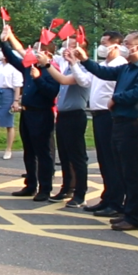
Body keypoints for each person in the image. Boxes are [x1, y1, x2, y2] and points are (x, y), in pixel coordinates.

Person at [75, 31, 138, 231]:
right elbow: (104, 72)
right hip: (121, 123)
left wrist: (116, 98)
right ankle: (125, 210)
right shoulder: (127, 68)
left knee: (133, 174)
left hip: (136, 124)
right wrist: (85, 60)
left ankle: (134, 216)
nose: (123, 46)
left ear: (137, 47)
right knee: (122, 170)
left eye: (127, 43)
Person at [0, 24, 60, 202]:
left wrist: (38, 78)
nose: (32, 52)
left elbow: (51, 92)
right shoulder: (29, 66)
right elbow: (12, 58)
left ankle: (45, 187)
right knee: (29, 151)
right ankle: (30, 184)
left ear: (47, 54)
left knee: (43, 153)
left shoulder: (50, 71)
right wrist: (4, 42)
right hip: (27, 113)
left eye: (36, 50)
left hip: (42, 113)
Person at [74, 31, 128, 218]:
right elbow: (84, 80)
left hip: (109, 115)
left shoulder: (119, 65)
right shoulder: (103, 65)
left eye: (105, 43)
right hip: (98, 115)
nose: (102, 46)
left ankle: (116, 201)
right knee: (104, 159)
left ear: (116, 45)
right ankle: (107, 197)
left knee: (112, 160)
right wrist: (75, 63)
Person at [42, 36, 91, 208]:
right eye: (65, 46)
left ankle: (80, 192)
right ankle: (67, 187)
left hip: (75, 115)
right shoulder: (67, 67)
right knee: (64, 155)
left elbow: (64, 80)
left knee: (77, 156)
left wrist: (47, 65)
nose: (66, 50)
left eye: (70, 46)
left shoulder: (84, 69)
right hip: (63, 115)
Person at [0, 50, 23, 159]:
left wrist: (16, 100)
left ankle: (8, 149)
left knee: (9, 124)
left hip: (9, 93)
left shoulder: (14, 67)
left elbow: (17, 86)